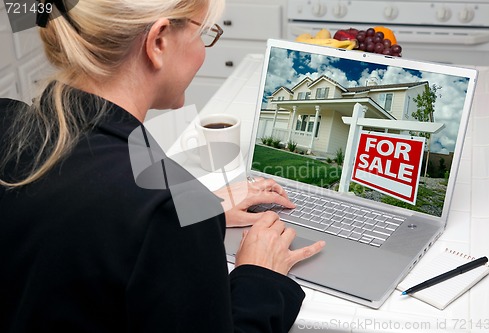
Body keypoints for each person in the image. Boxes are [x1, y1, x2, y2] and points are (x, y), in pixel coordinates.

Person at [0, 0, 325, 332]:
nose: (203, 50)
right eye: (203, 34)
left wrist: (199, 204)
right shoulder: (162, 214)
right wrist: (261, 276)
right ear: (158, 42)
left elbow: (100, 160)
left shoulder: (8, 119)